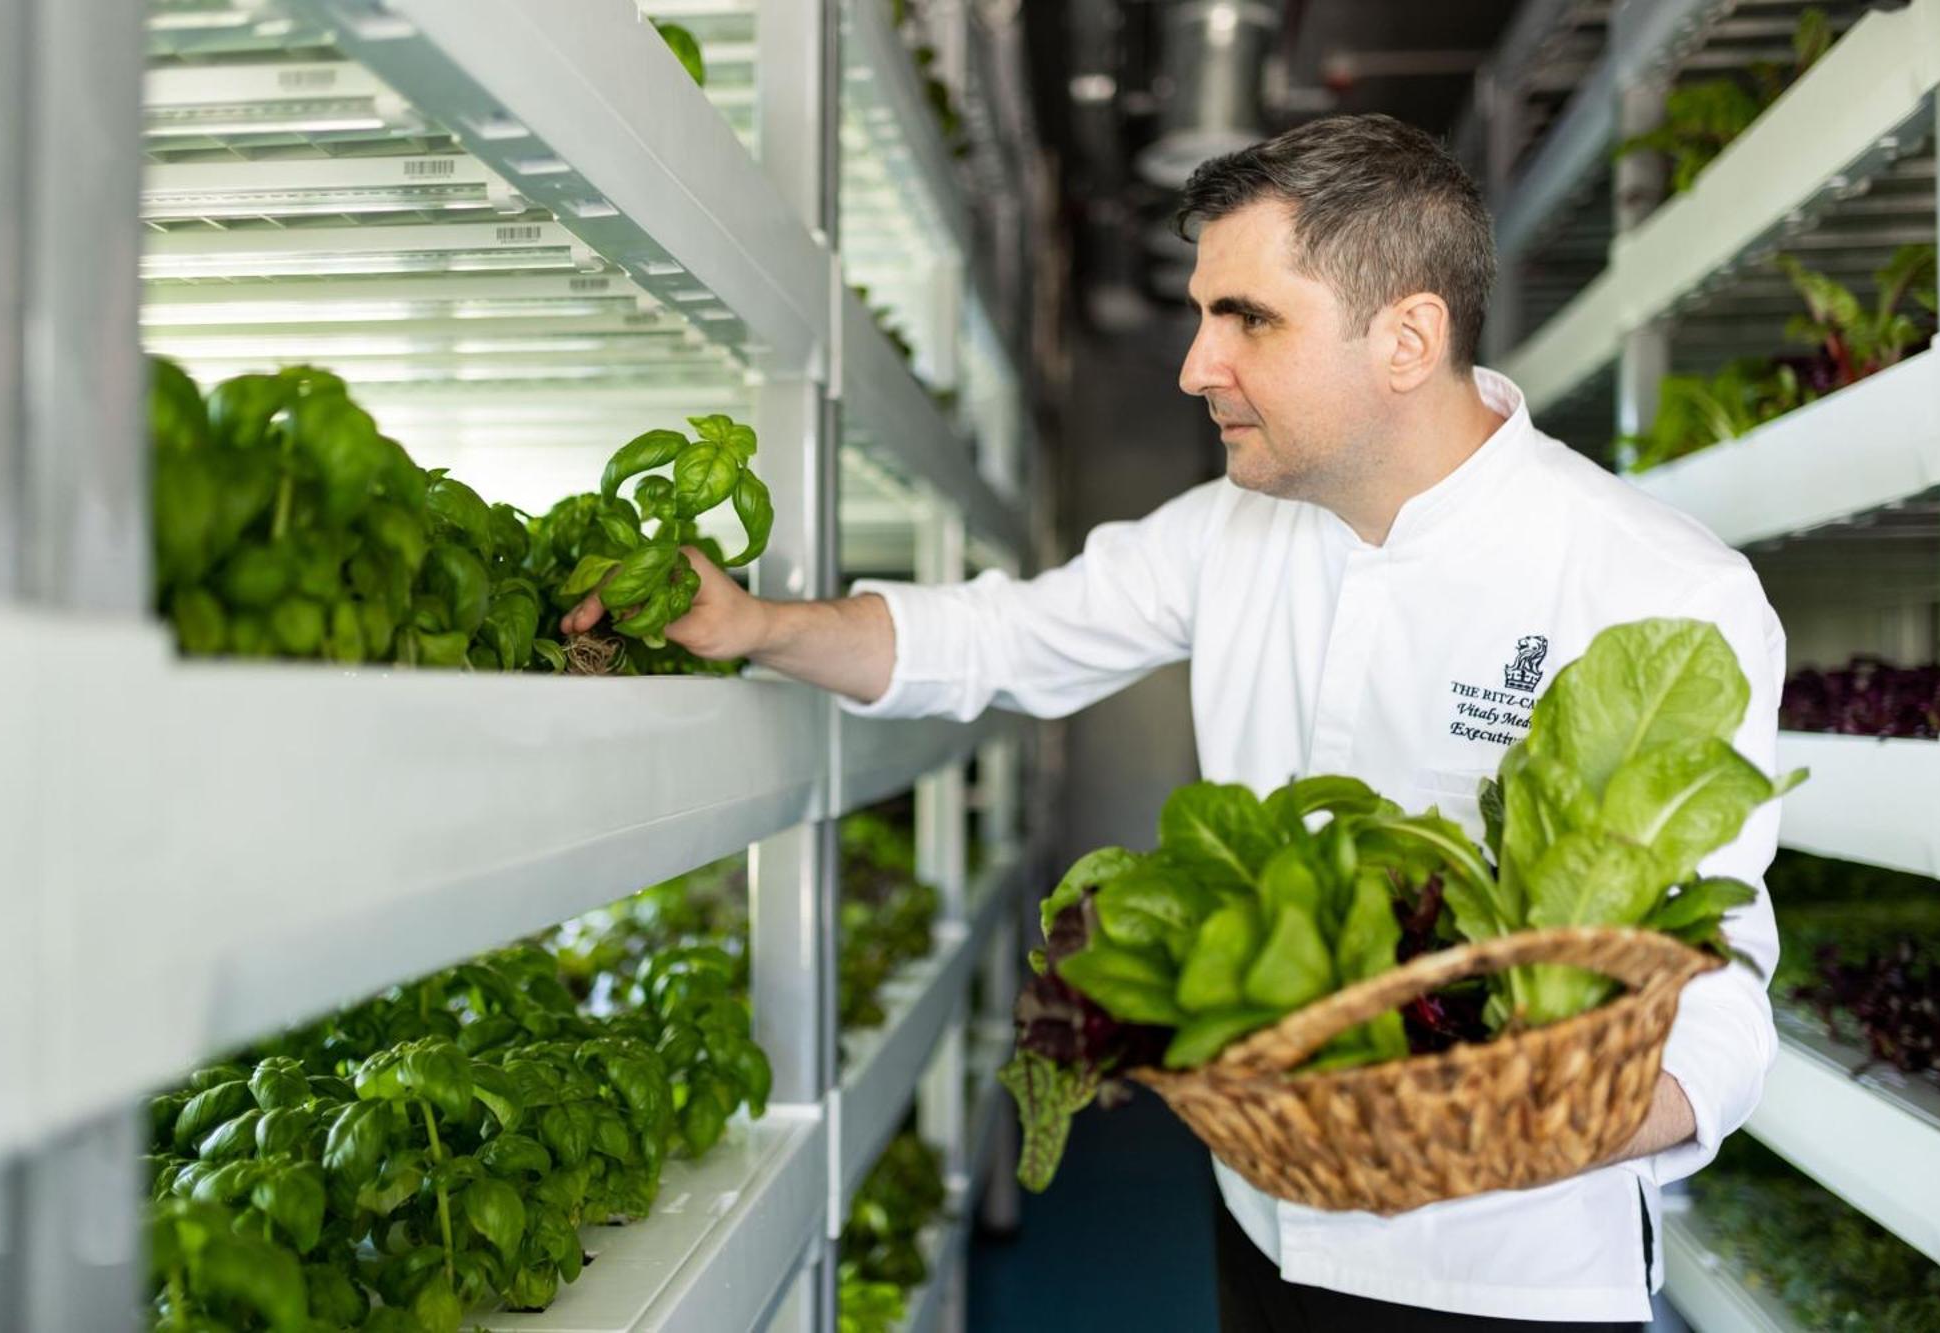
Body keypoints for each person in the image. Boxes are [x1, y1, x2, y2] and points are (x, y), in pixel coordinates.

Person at [565, 113, 1782, 1331]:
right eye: (1204, 315)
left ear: (1407, 337)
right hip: (1262, 1212)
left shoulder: (1654, 588)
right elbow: (1001, 639)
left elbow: (1718, 984)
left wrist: (1528, 1123)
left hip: (1505, 1268)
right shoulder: (1229, 527)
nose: (1196, 365)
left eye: (1246, 318)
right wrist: (757, 627)